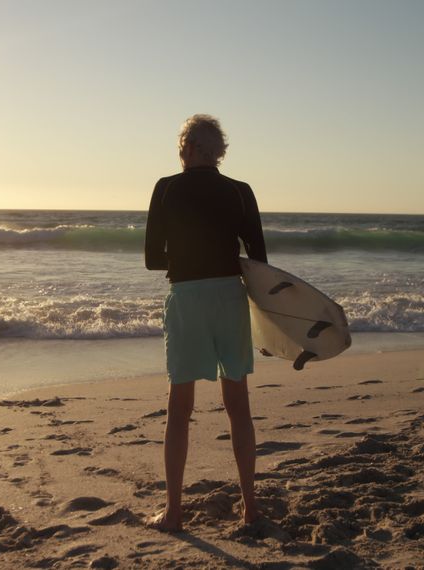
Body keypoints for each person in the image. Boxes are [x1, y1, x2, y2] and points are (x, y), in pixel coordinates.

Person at [143, 114, 267, 532]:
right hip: (230, 297)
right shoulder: (240, 191)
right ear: (218, 153)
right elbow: (259, 261)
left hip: (189, 297)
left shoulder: (166, 188)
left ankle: (174, 513)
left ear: (192, 148)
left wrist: (183, 256)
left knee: (179, 408)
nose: (180, 155)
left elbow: (151, 259)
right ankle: (250, 508)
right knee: (239, 406)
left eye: (181, 147)